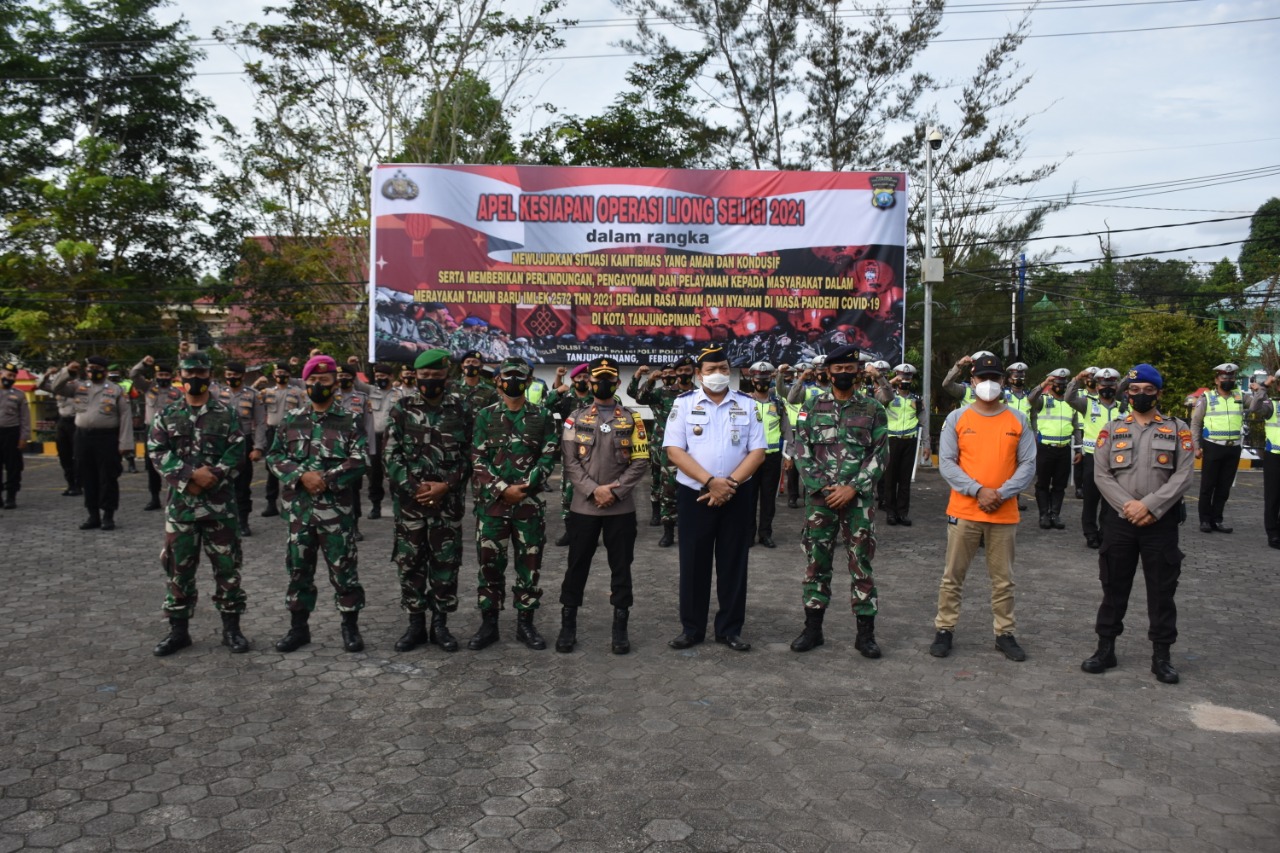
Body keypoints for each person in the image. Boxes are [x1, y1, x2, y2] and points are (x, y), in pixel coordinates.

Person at [1083, 364, 1193, 684]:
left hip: (1160, 522)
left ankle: (1162, 657)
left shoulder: (1177, 429)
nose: (1140, 395)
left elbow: (1184, 475)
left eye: (1148, 390)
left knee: (1162, 589)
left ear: (1158, 392)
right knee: (1114, 587)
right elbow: (1101, 474)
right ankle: (1106, 649)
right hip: (1120, 521)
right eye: (1134, 390)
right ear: (1126, 393)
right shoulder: (1112, 427)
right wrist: (1128, 507)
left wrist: (1149, 506)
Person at [929, 353, 1037, 661]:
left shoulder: (1018, 419)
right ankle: (944, 630)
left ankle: (1004, 634)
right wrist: (978, 490)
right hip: (964, 512)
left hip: (1003, 513)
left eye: (994, 378)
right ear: (972, 381)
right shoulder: (957, 418)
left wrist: (1001, 493)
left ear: (1003, 381)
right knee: (952, 577)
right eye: (981, 378)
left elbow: (1028, 464)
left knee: (1003, 580)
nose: (988, 383)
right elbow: (947, 463)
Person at [663, 345, 767, 652]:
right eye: (710, 370)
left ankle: (730, 629)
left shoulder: (747, 404)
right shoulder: (683, 405)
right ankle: (691, 629)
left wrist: (729, 484)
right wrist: (710, 482)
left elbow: (758, 452)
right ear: (698, 374)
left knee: (733, 562)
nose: (718, 374)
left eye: (723, 368)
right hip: (695, 493)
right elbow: (674, 451)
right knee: (693, 562)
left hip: (737, 494)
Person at [147, 350, 250, 657]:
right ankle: (178, 632)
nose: (195, 378)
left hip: (220, 508)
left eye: (201, 373)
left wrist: (214, 475)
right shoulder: (167, 414)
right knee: (178, 570)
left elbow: (237, 451)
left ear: (209, 375)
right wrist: (190, 475)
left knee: (228, 569)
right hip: (182, 509)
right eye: (189, 373)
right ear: (181, 376)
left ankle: (232, 630)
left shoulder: (226, 413)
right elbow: (156, 451)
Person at [265, 355, 369, 654]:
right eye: (313, 380)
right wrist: (301, 476)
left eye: (324, 380)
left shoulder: (349, 420)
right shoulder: (291, 419)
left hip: (336, 512)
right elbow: (275, 456)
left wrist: (324, 478)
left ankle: (350, 628)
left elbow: (360, 460)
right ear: (305, 384)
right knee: (298, 570)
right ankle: (299, 629)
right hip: (299, 512)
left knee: (344, 570)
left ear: (335, 384)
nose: (318, 385)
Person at [790, 346, 888, 654]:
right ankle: (812, 630)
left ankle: (865, 635)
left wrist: (854, 487)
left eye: (849, 369)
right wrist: (823, 487)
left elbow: (880, 454)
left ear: (858, 372)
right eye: (838, 370)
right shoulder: (811, 406)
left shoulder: (873, 409)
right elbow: (801, 451)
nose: (843, 374)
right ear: (827, 373)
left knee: (861, 565)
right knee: (816, 564)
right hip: (820, 502)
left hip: (858, 501)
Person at [557, 357, 650, 654]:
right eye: (597, 379)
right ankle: (568, 626)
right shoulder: (576, 417)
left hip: (620, 508)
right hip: (584, 507)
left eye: (609, 379)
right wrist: (593, 490)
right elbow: (569, 461)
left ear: (618, 383)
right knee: (576, 567)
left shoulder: (633, 419)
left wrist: (616, 491)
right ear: (589, 382)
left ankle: (620, 628)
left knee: (621, 568)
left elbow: (640, 460)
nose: (602, 384)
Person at [467, 358, 560, 650]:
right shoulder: (485, 416)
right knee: (489, 565)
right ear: (498, 380)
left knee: (529, 564)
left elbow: (549, 455)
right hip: (492, 505)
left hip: (528, 504)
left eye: (520, 376)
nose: (514, 380)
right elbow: (477, 458)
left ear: (529, 380)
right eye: (508, 375)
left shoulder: (543, 416)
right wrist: (501, 488)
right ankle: (489, 623)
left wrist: (526, 486)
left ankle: (525, 624)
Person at [384, 349, 472, 652]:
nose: (430, 382)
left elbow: (471, 457)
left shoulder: (460, 410)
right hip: (410, 506)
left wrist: (445, 486)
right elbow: (391, 456)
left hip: (447, 506)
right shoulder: (402, 409)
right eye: (424, 377)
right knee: (410, 565)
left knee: (445, 565)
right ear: (416, 377)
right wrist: (416, 488)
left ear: (446, 377)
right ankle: (415, 624)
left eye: (436, 377)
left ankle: (441, 625)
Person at [51, 356, 133, 531]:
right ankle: (93, 515)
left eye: (96, 368)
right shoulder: (78, 386)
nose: (92, 371)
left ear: (104, 370)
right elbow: (55, 387)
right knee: (86, 477)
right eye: (90, 368)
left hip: (107, 438)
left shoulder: (115, 389)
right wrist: (67, 371)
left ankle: (108, 516)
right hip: (82, 437)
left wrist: (125, 443)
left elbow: (126, 417)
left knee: (107, 477)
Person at [1069, 367, 1127, 549]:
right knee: (1091, 500)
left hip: (1117, 460)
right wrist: (1077, 378)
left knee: (1110, 501)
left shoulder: (1124, 408)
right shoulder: (1087, 403)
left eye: (1111, 384)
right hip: (1093, 459)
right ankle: (1091, 533)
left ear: (1117, 386)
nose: (1107, 387)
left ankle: (1105, 532)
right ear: (1097, 385)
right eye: (1103, 384)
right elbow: (1069, 398)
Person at [1191, 363, 1250, 533]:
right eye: (1224, 377)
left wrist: (1261, 389)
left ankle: (1217, 519)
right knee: (1208, 486)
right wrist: (1196, 446)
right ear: (1217, 380)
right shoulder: (1207, 398)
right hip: (1213, 446)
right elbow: (1196, 423)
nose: (1228, 380)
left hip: (1233, 448)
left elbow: (1257, 407)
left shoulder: (1240, 396)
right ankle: (1205, 520)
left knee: (1224, 487)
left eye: (1231, 378)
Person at [211, 361, 265, 536]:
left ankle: (243, 521)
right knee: (219, 482)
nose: (231, 377)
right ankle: (222, 519)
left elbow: (261, 423)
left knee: (242, 485)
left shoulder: (253, 395)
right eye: (228, 374)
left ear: (242, 376)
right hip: (221, 442)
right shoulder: (217, 393)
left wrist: (258, 447)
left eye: (235, 374)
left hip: (244, 442)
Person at [743, 361, 790, 547]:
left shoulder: (778, 404)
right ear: (752, 380)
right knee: (749, 498)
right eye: (757, 379)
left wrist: (789, 456)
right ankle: (748, 534)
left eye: (765, 379)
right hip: (749, 459)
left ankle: (765, 534)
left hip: (772, 457)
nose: (761, 382)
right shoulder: (744, 403)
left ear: (770, 380)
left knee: (769, 498)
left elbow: (786, 431)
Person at [130, 356, 185, 510]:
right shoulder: (148, 388)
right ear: (155, 376)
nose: (163, 378)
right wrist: (143, 363)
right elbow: (133, 374)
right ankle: (154, 498)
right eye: (160, 375)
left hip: (170, 431)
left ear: (171, 376)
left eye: (166, 375)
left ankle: (175, 496)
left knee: (173, 464)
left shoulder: (176, 393)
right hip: (152, 430)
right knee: (152, 466)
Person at [1027, 368, 1077, 530]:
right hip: (1045, 448)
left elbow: (1076, 427)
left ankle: (1055, 513)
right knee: (1042, 483)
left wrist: (1079, 449)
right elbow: (1031, 398)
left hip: (1064, 448)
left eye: (1063, 383)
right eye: (1057, 383)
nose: (1061, 386)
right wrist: (1044, 384)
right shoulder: (1043, 400)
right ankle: (1044, 515)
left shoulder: (1071, 403)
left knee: (1059, 485)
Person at [552, 363, 594, 547]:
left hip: (593, 452)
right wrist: (558, 386)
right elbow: (546, 405)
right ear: (573, 380)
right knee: (568, 492)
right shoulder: (566, 400)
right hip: (571, 453)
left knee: (591, 490)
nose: (583, 381)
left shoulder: (596, 399)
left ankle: (590, 532)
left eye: (586, 378)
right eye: (579, 378)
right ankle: (570, 532)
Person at [874, 363, 921, 526]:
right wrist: (892, 382)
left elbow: (923, 420)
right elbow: (878, 398)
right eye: (902, 377)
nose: (905, 381)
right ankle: (890, 512)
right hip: (892, 440)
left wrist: (927, 443)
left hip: (909, 440)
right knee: (890, 478)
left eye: (907, 378)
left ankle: (903, 513)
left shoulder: (916, 399)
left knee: (905, 479)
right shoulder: (889, 396)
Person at [260, 364, 307, 518]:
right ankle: (271, 503)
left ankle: (290, 502)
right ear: (273, 375)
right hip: (272, 431)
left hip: (291, 431)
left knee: (291, 467)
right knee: (271, 468)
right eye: (278, 372)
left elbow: (303, 413)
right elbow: (255, 405)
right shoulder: (267, 392)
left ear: (289, 375)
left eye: (284, 372)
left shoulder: (297, 393)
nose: (281, 375)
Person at [363, 363, 406, 521]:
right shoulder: (371, 391)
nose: (380, 379)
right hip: (374, 437)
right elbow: (356, 383)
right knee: (374, 474)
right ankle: (376, 506)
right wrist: (353, 366)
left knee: (394, 471)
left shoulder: (399, 394)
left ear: (391, 377)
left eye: (383, 376)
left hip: (393, 437)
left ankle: (398, 504)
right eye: (378, 376)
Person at [39, 366, 80, 496]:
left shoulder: (79, 386)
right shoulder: (58, 387)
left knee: (78, 455)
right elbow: (40, 385)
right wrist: (47, 374)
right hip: (62, 422)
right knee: (64, 454)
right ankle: (70, 484)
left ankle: (79, 484)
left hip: (76, 422)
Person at [1250, 372, 1280, 548]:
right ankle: (1273, 533)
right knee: (1273, 497)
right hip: (1275, 457)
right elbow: (1254, 407)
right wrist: (1264, 387)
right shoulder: (1272, 405)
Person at [0, 361, 31, 509]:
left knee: (13, 467)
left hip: (11, 433)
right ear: (1, 374)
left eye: (13, 376)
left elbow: (25, 418)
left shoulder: (19, 395)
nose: (10, 377)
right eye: (8, 374)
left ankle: (11, 497)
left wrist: (23, 437)